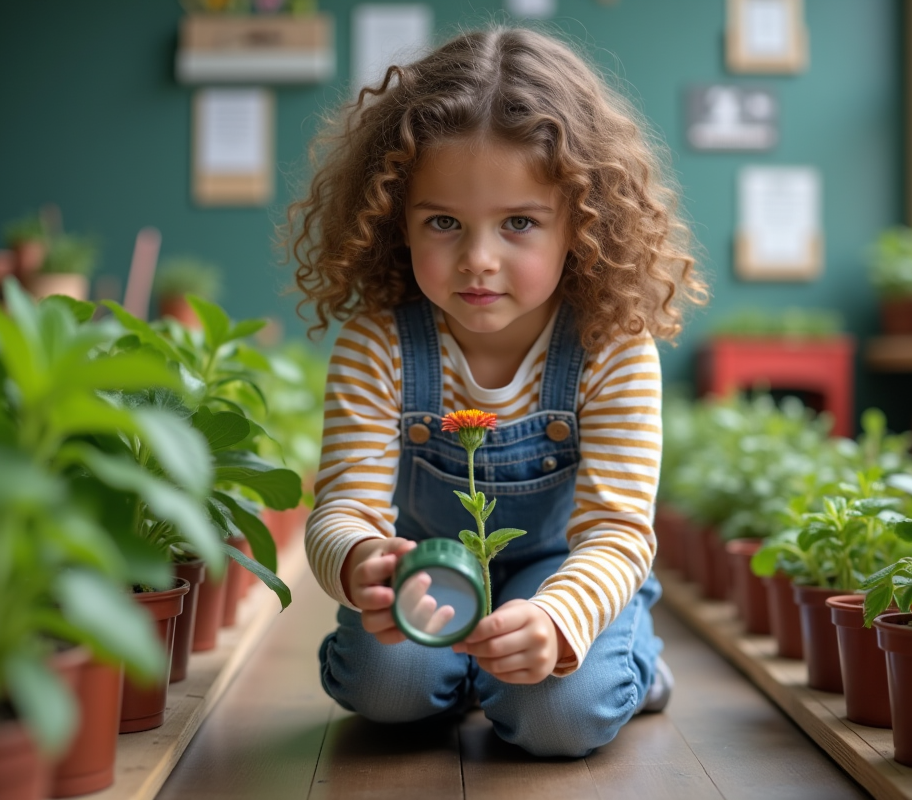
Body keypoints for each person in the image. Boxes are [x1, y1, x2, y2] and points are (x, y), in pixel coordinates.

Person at [284, 26, 705, 758]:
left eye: (519, 223)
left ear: (580, 224)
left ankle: (624, 662)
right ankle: (473, 674)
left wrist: (557, 621)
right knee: (386, 690)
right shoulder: (377, 344)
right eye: (443, 222)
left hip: (564, 571)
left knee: (560, 719)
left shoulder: (613, 346)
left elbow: (617, 532)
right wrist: (360, 564)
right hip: (431, 568)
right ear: (397, 222)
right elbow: (342, 507)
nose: (478, 260)